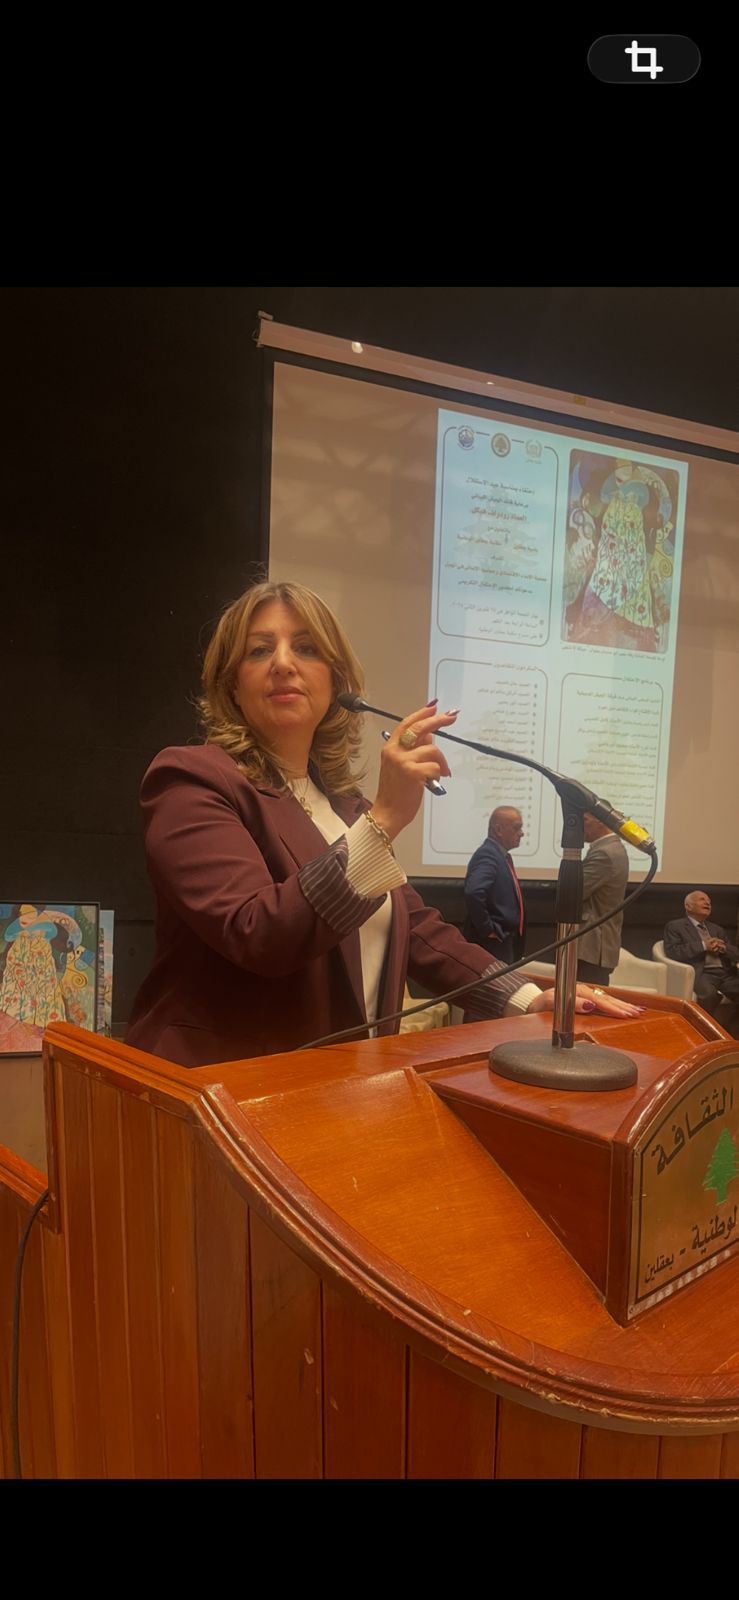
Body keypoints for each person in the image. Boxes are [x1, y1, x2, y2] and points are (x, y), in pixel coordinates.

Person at [125, 580, 643, 1068]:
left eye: (306, 648)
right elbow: (256, 933)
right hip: (222, 1087)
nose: (283, 663)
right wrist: (387, 818)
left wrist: (528, 997)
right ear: (232, 685)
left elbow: (416, 930)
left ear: (335, 682)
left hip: (344, 1083)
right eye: (260, 650)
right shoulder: (192, 780)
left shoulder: (344, 807)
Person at [463, 807, 526, 965]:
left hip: (503, 941)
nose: (522, 833)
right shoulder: (488, 854)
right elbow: (473, 892)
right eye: (517, 827)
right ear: (498, 830)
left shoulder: (499, 855)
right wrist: (487, 929)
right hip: (493, 944)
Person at [664, 892, 739, 1018]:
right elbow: (673, 951)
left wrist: (724, 948)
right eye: (702, 899)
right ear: (688, 906)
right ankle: (702, 1026)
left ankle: (731, 1028)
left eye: (709, 901)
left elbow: (736, 954)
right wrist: (704, 946)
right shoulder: (675, 926)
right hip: (702, 973)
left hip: (725, 973)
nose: (707, 903)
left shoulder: (717, 929)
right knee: (709, 995)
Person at [576, 814, 630, 986]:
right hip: (596, 945)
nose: (580, 825)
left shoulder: (605, 853)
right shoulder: (612, 848)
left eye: (585, 820)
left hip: (592, 945)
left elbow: (574, 892)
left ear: (600, 819)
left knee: (584, 998)